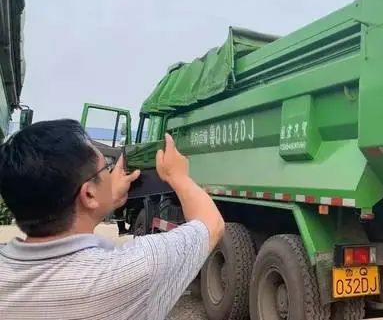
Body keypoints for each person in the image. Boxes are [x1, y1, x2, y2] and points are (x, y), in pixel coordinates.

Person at [0, 119, 225, 319]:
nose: (111, 174)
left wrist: (104, 199)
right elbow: (211, 225)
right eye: (106, 169)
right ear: (88, 194)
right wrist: (177, 176)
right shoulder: (130, 270)